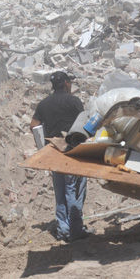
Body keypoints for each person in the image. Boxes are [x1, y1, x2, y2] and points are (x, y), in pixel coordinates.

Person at [30, 70, 89, 242]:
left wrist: (42, 146)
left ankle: (63, 230)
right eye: (70, 82)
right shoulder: (74, 101)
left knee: (61, 193)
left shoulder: (43, 104)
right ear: (66, 84)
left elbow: (33, 125)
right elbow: (85, 124)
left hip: (53, 153)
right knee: (75, 191)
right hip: (73, 153)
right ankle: (76, 230)